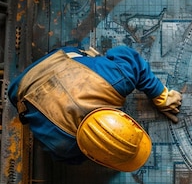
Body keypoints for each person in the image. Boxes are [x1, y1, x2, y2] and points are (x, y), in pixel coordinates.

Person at [8, 45, 182, 172]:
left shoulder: (113, 80)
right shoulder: (64, 147)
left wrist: (160, 94)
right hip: (21, 87)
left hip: (44, 70)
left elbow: (131, 58)